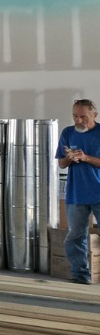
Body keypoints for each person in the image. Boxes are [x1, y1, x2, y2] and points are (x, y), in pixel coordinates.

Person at [55, 99, 100, 284]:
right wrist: (70, 158)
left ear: (94, 115)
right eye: (75, 116)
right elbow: (61, 163)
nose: (78, 121)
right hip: (76, 193)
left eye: (83, 117)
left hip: (98, 191)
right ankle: (81, 277)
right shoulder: (68, 133)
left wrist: (86, 157)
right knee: (75, 236)